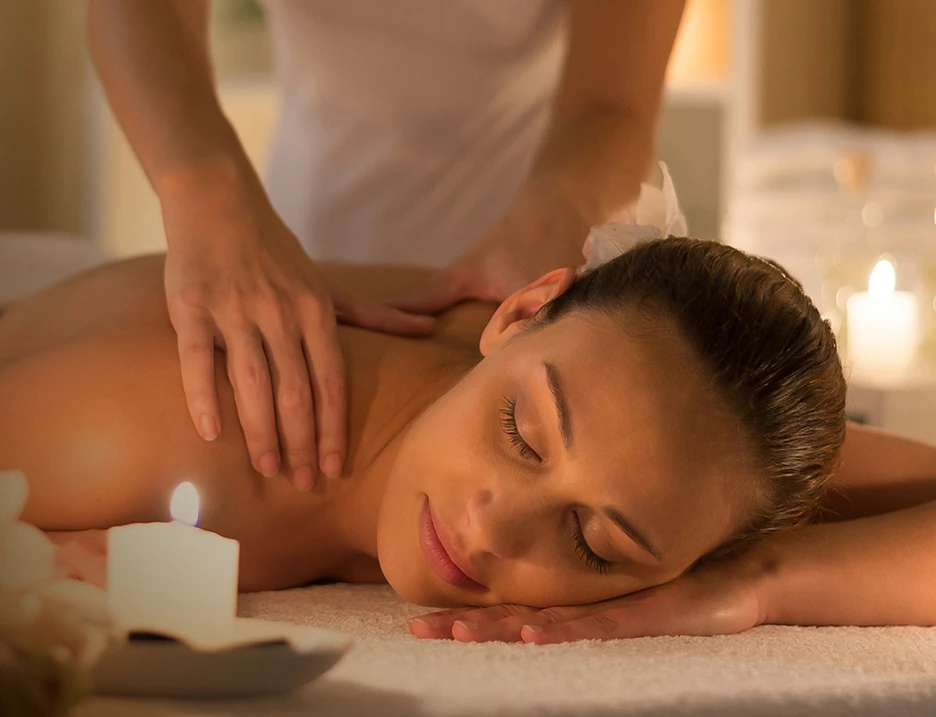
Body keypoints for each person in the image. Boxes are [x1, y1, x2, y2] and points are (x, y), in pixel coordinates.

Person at [3, 237, 936, 643]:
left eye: (594, 543)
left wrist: (751, 586)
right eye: (520, 434)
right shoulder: (166, 424)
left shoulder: (691, 434)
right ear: (519, 312)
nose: (493, 528)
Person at [85, 1, 686, 494]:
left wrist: (557, 220)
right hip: (285, 258)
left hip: (526, 265)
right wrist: (204, 193)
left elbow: (613, 103)